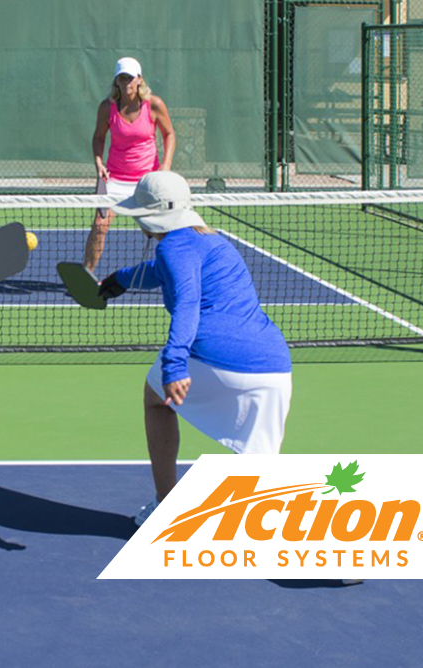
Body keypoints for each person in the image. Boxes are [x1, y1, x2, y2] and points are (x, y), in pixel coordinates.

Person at [96, 171, 292, 526]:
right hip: (274, 367)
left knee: (156, 399)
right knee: (264, 474)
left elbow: (186, 302)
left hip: (216, 359)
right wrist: (119, 280)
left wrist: (174, 366)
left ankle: (165, 507)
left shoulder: (172, 247)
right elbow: (163, 271)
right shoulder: (213, 242)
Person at [85, 57, 176, 273]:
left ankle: (176, 273)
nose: (126, 82)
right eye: (122, 77)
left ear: (139, 80)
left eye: (130, 78)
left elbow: (169, 134)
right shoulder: (107, 108)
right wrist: (99, 163)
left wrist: (166, 166)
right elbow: (98, 137)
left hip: (148, 181)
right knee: (100, 225)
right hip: (115, 179)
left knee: (166, 230)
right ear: (116, 81)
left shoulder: (154, 104)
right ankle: (86, 275)